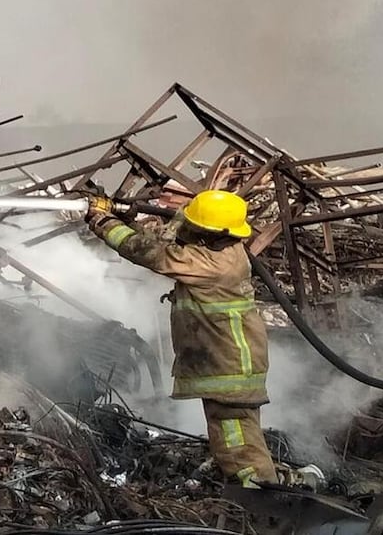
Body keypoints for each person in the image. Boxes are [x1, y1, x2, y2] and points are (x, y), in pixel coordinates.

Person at [84, 189, 277, 487]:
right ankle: (253, 487)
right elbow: (168, 243)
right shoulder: (222, 251)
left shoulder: (211, 264)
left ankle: (260, 499)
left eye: (194, 225)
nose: (187, 229)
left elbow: (150, 253)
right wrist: (127, 219)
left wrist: (102, 220)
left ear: (209, 232)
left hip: (228, 367)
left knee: (236, 440)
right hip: (232, 360)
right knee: (234, 433)